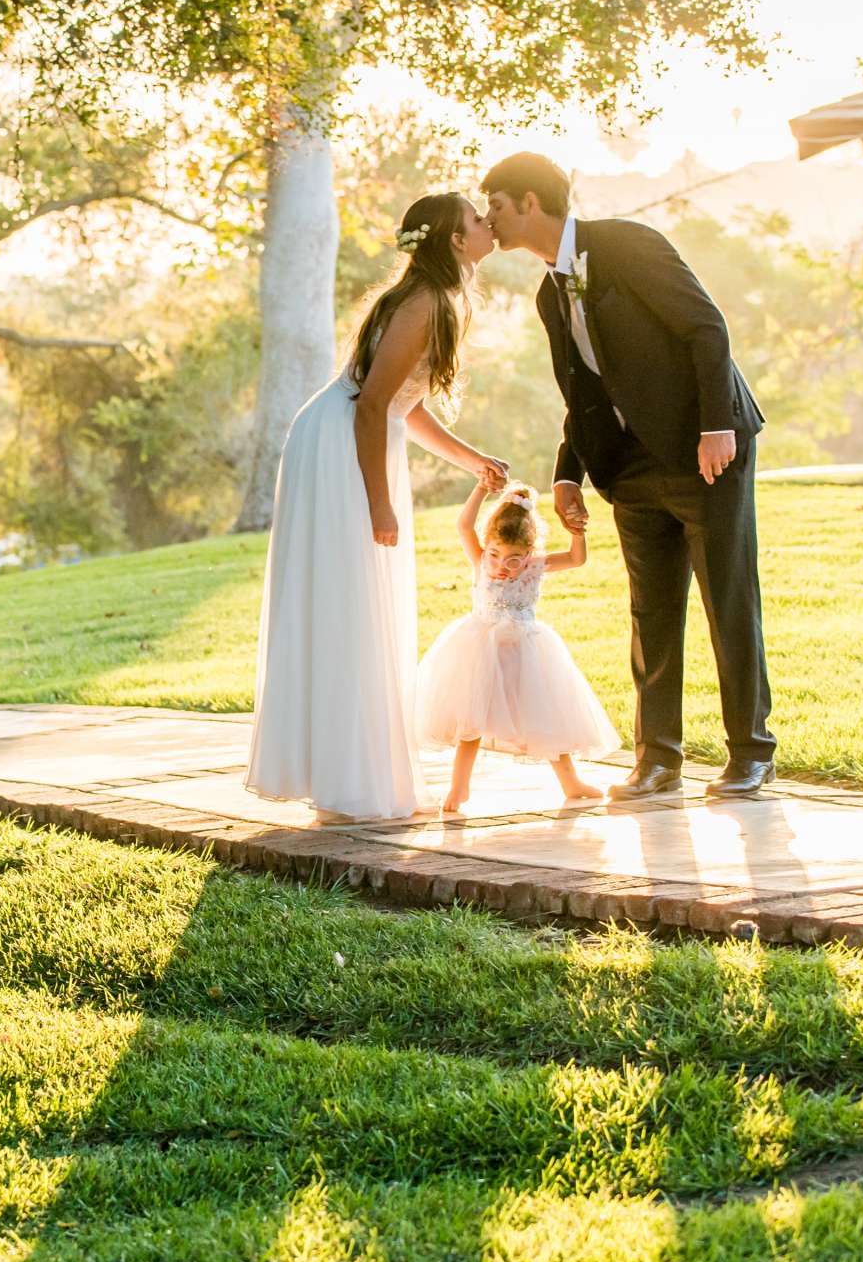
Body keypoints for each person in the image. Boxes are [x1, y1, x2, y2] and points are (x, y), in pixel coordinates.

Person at [481, 151, 777, 799]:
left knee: (728, 602)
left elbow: (705, 327)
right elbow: (582, 388)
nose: (489, 220)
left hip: (708, 453)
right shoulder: (547, 294)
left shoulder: (628, 244)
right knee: (651, 612)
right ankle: (658, 761)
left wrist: (716, 425)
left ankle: (751, 753)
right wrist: (569, 474)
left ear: (530, 202)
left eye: (496, 206)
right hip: (631, 465)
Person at [244, 193, 507, 821]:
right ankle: (351, 785)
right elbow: (370, 406)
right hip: (341, 448)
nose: (487, 225)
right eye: (476, 219)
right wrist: (379, 505)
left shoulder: (438, 301)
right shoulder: (422, 303)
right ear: (452, 239)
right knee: (350, 601)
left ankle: (355, 777)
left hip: (356, 437)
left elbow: (401, 404)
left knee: (362, 603)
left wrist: (471, 461)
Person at [414, 481, 617, 810]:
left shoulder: (535, 568)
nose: (500, 566)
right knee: (472, 720)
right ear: (487, 546)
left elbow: (576, 559)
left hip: (526, 656)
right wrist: (480, 488)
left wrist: (577, 529)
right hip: (480, 653)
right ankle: (459, 787)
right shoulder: (480, 561)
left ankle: (571, 782)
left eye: (513, 560)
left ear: (529, 553)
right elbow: (464, 525)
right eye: (495, 555)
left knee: (546, 716)